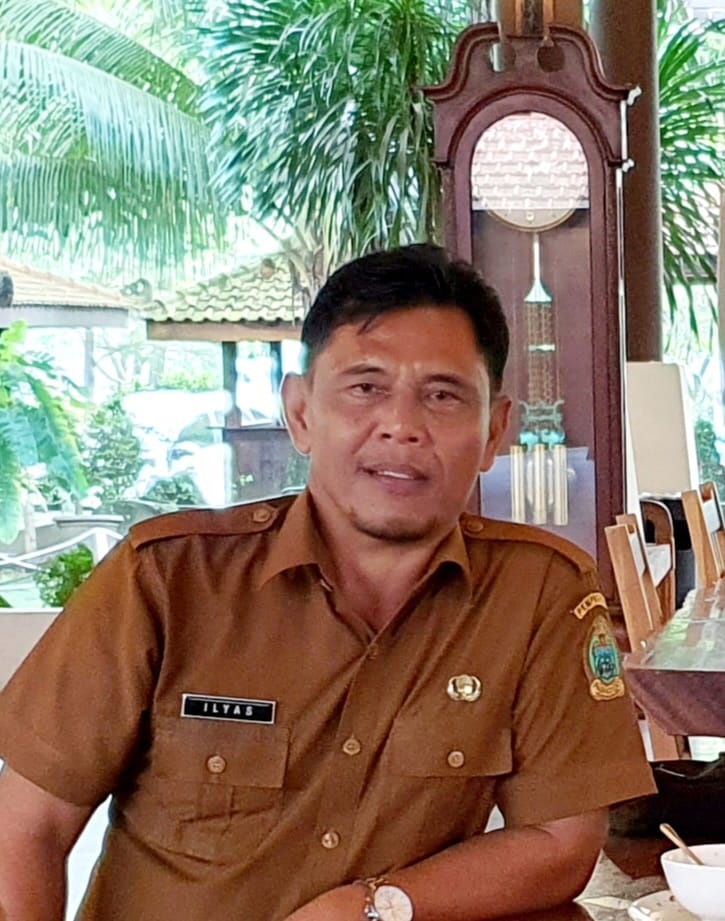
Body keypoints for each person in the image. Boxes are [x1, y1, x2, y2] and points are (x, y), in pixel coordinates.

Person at [0, 244, 654, 921]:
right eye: (366, 387)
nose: (401, 426)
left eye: (442, 395)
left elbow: (560, 843)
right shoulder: (166, 579)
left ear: (493, 431)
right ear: (302, 412)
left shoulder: (537, 593)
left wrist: (371, 907)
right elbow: (25, 828)